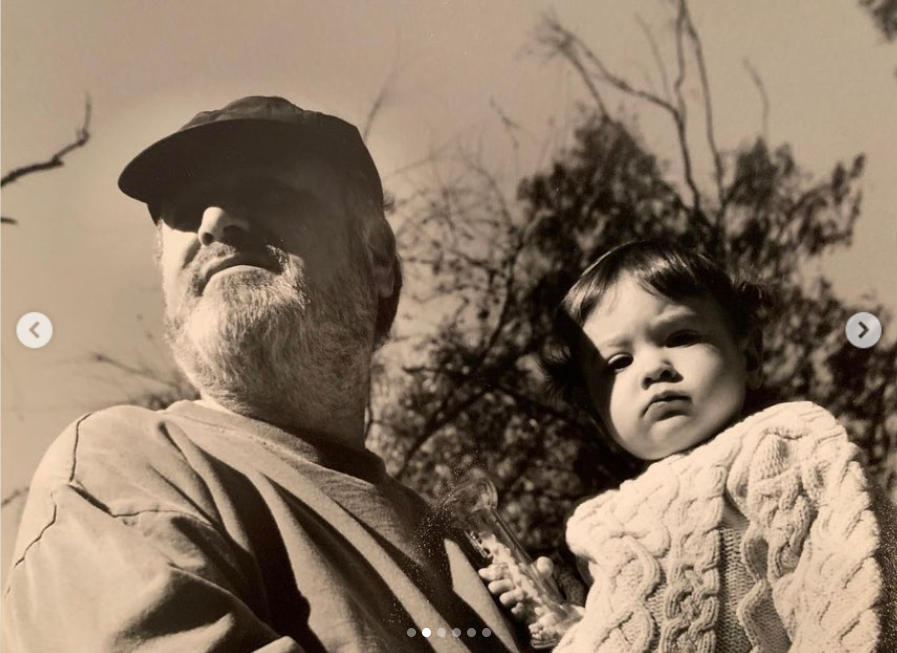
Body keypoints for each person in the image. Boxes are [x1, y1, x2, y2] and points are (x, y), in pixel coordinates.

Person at [1, 96, 525, 653]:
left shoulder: (475, 555)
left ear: (377, 259)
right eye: (183, 209)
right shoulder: (124, 466)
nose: (212, 223)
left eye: (268, 191)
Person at [479, 240, 897, 652]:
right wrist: (573, 624)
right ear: (596, 410)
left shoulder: (778, 444)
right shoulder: (600, 521)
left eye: (679, 336)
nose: (652, 368)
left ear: (749, 355)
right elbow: (642, 626)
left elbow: (855, 591)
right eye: (618, 363)